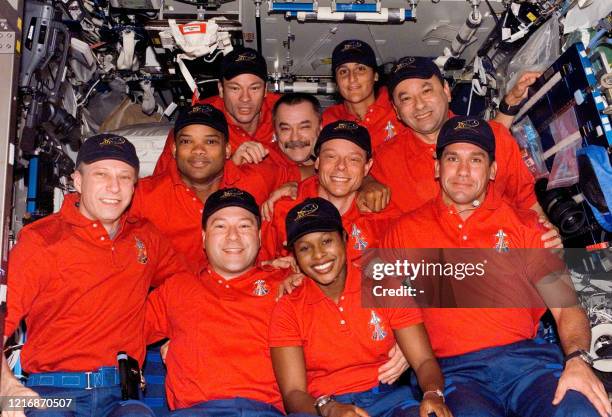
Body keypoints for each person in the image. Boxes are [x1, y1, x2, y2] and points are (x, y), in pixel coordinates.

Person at [382, 116, 610, 417]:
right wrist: (431, 387)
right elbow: (399, 315)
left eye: (476, 160)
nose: (463, 171)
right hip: (454, 374)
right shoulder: (401, 233)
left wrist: (578, 360)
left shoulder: (526, 226)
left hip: (528, 365)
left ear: (493, 171)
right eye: (452, 158)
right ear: (437, 167)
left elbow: (566, 306)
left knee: (580, 409)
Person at [143, 188, 408, 417]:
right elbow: (118, 327)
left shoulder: (292, 282)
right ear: (203, 237)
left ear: (259, 236)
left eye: (244, 226)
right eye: (220, 226)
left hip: (268, 411)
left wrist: (406, 342)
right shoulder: (177, 288)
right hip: (196, 411)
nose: (233, 236)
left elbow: (376, 283)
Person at [1, 134, 184, 417]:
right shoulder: (41, 240)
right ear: (77, 180)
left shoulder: (145, 237)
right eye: (101, 174)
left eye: (125, 177)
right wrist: (8, 389)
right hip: (54, 394)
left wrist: (178, 331)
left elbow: (186, 286)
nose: (114, 187)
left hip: (120, 396)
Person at [269, 197, 452, 417]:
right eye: (305, 248)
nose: (318, 255)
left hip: (389, 398)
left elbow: (423, 360)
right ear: (295, 258)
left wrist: (433, 393)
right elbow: (293, 393)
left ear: (344, 239)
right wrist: (329, 409)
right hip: (324, 407)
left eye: (327, 241)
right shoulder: (289, 307)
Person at [373, 56, 560, 246]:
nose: (419, 105)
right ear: (396, 110)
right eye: (406, 99)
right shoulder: (385, 162)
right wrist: (366, 183)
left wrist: (546, 237)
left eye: (427, 91)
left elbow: (528, 202)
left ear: (446, 91)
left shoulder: (495, 138)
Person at [130, 104, 274, 273]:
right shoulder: (143, 195)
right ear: (174, 149)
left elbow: (306, 173)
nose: (198, 150)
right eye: (187, 141)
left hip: (244, 293)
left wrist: (289, 187)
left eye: (210, 141)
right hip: (172, 295)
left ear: (227, 150)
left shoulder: (256, 179)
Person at [261, 121, 398, 263]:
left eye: (353, 159)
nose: (341, 166)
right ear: (317, 161)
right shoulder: (282, 207)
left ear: (367, 167)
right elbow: (258, 270)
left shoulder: (384, 217)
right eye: (331, 156)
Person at [153, 47, 279, 175]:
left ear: (265, 90)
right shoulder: (196, 119)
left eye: (254, 88)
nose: (245, 98)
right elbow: (163, 182)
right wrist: (230, 167)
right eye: (235, 88)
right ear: (221, 89)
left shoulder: (286, 112)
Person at [322, 39, 407, 151]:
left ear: (375, 76)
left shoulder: (399, 105)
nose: (352, 78)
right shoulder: (329, 119)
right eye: (343, 71)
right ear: (336, 82)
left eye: (360, 69)